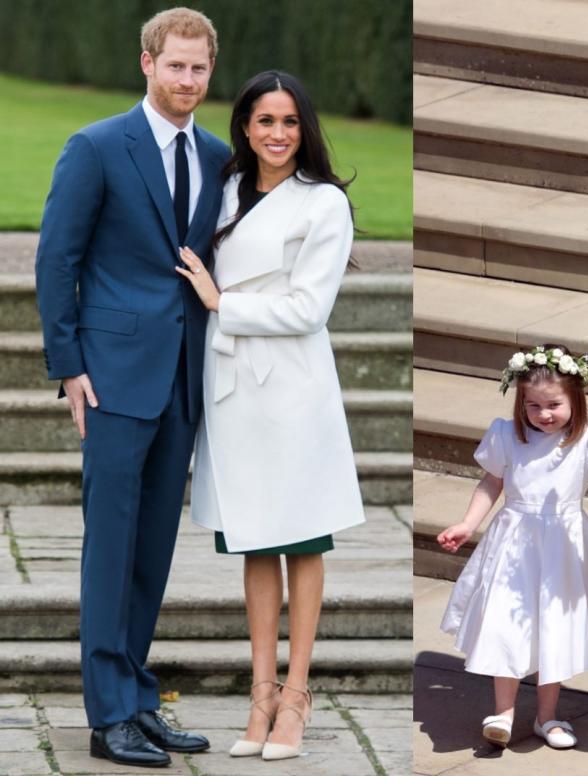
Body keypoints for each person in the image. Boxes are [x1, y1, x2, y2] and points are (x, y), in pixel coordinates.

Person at [34, 7, 227, 767]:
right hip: (111, 380)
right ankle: (108, 713)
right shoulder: (96, 146)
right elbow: (58, 259)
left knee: (151, 550)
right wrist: (68, 364)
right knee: (109, 547)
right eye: (175, 65)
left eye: (199, 68)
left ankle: (138, 700)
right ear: (147, 63)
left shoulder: (216, 154)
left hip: (182, 377)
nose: (188, 79)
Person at [173, 70, 367, 760]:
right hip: (232, 389)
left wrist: (225, 303)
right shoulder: (222, 188)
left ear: (303, 126)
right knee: (253, 539)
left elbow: (308, 309)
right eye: (263, 121)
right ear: (245, 128)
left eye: (288, 121)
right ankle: (259, 697)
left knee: (303, 538)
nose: (277, 134)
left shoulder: (322, 205)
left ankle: (296, 698)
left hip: (291, 389)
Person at [437, 345, 588, 751]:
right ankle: (503, 713)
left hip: (563, 545)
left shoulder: (586, 439)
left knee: (554, 627)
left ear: (576, 399)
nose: (543, 414)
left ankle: (548, 716)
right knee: (505, 623)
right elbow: (492, 481)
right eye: (533, 405)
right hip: (513, 542)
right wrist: (467, 523)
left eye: (553, 404)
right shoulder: (507, 436)